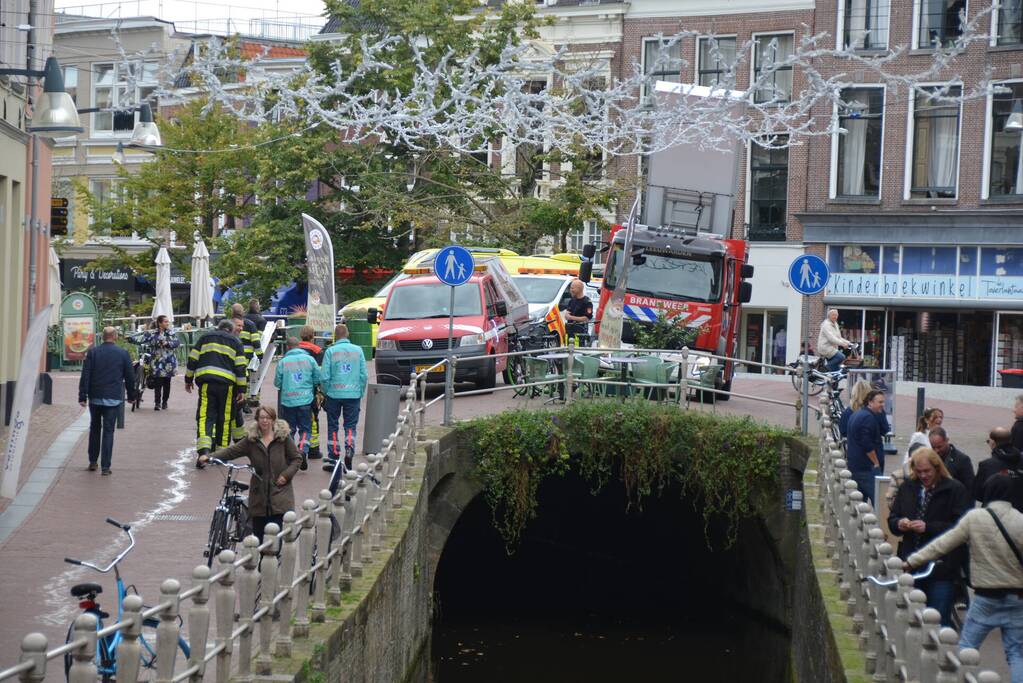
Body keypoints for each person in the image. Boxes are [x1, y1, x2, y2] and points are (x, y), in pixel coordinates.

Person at [904, 475, 1023, 682]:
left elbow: (943, 544)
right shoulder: (1020, 520)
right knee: (1016, 653)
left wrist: (912, 561)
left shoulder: (975, 518)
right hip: (1017, 597)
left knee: (966, 648)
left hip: (986, 597)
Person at [888, 448, 971, 626]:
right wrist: (899, 523)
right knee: (910, 619)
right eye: (919, 472)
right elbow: (892, 519)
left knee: (937, 620)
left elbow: (962, 527)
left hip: (941, 567)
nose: (923, 475)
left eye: (927, 471)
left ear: (937, 467)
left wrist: (929, 527)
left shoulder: (954, 490)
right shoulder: (907, 487)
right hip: (911, 563)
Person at [197, 405, 302, 544]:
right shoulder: (251, 440)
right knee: (257, 538)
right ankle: (258, 564)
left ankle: (273, 561)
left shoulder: (283, 438)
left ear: (273, 420)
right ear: (257, 420)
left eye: (268, 418)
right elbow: (231, 451)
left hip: (280, 494)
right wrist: (209, 457)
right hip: (259, 496)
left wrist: (286, 475)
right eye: (262, 418)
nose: (265, 421)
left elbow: (297, 459)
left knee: (275, 539)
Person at [186, 319, 248, 468]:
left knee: (205, 417)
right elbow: (240, 367)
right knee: (225, 419)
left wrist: (188, 379)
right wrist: (242, 390)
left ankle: (203, 453)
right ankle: (221, 455)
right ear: (231, 330)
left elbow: (192, 359)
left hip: (207, 383)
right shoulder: (235, 342)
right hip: (227, 386)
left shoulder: (204, 338)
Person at [78, 327, 135, 475]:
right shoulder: (123, 353)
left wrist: (82, 396)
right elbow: (129, 376)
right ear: (115, 337)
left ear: (103, 337)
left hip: (95, 396)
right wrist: (132, 395)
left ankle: (92, 461)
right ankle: (105, 467)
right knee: (109, 431)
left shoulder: (93, 352)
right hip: (113, 397)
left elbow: (86, 375)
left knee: (95, 428)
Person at [320, 323, 368, 474]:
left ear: (335, 335)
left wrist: (325, 392)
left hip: (334, 394)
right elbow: (364, 375)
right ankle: (349, 449)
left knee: (333, 425)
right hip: (353, 394)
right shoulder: (358, 351)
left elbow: (325, 376)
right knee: (350, 426)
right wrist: (360, 391)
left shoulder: (330, 351)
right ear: (347, 334)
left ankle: (334, 457)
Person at [274, 337, 320, 471]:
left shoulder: (283, 362)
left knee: (290, 430)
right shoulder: (310, 360)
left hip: (288, 401)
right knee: (305, 429)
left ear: (288, 347)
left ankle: (292, 455)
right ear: (299, 346)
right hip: (306, 400)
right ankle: (302, 451)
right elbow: (317, 378)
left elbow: (277, 383)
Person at [846, 389, 886, 503]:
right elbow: (866, 444)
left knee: (858, 503)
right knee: (880, 502)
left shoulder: (856, 414)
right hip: (867, 468)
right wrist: (876, 463)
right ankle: (880, 521)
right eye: (880, 402)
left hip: (855, 466)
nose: (882, 405)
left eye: (883, 402)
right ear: (870, 402)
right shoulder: (868, 418)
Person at [975, 428, 1023, 511]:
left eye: (988, 441)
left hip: (992, 512)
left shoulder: (987, 465)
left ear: (993, 442)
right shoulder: (1021, 461)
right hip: (1018, 511)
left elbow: (978, 493)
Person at [141, 315, 180, 411]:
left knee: (167, 383)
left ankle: (165, 402)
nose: (167, 323)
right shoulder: (152, 333)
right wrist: (130, 338)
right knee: (158, 382)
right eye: (165, 321)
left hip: (169, 362)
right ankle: (157, 403)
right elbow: (142, 340)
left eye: (168, 321)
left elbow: (177, 343)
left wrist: (168, 343)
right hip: (157, 361)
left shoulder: (171, 333)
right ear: (160, 323)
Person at [297, 326, 325, 461]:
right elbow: (319, 375)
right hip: (310, 392)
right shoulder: (318, 351)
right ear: (313, 336)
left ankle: (292, 450)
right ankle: (313, 449)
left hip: (292, 391)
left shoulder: (293, 350)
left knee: (291, 423)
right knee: (312, 420)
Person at [928, 426, 975, 502]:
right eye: (933, 447)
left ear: (947, 440)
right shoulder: (928, 458)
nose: (936, 451)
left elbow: (970, 489)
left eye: (939, 447)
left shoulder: (962, 460)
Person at [817, 308, 853, 373]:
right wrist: (843, 344)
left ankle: (830, 380)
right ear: (829, 316)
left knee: (835, 369)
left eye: (836, 315)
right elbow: (831, 338)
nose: (835, 317)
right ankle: (823, 369)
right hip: (825, 347)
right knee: (841, 357)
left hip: (832, 348)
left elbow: (838, 337)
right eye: (833, 315)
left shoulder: (835, 324)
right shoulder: (826, 325)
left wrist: (849, 343)